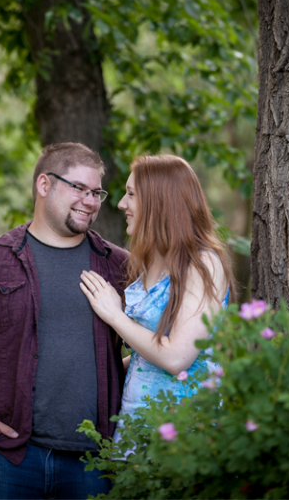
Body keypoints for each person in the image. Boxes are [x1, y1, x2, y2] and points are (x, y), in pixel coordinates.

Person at [0, 142, 129, 500]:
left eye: (96, 192)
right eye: (79, 188)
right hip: (7, 459)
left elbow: (152, 344)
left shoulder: (119, 265)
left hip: (93, 462)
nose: (91, 201)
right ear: (44, 185)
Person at [79, 154, 233, 441]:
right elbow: (144, 358)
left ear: (160, 201)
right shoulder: (149, 264)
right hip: (134, 427)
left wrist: (114, 316)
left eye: (132, 194)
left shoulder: (202, 264)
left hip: (184, 435)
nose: (122, 204)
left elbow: (177, 358)